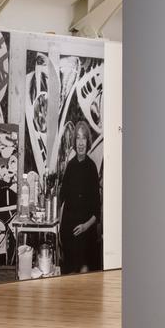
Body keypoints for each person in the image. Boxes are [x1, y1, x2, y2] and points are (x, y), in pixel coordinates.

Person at [55, 115, 102, 275]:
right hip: (68, 233)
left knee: (84, 274)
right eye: (78, 138)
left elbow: (97, 210)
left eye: (83, 138)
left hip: (86, 234)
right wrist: (60, 231)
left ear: (87, 141)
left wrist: (85, 226)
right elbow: (63, 200)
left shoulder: (91, 168)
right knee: (68, 275)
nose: (81, 142)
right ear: (74, 142)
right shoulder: (70, 166)